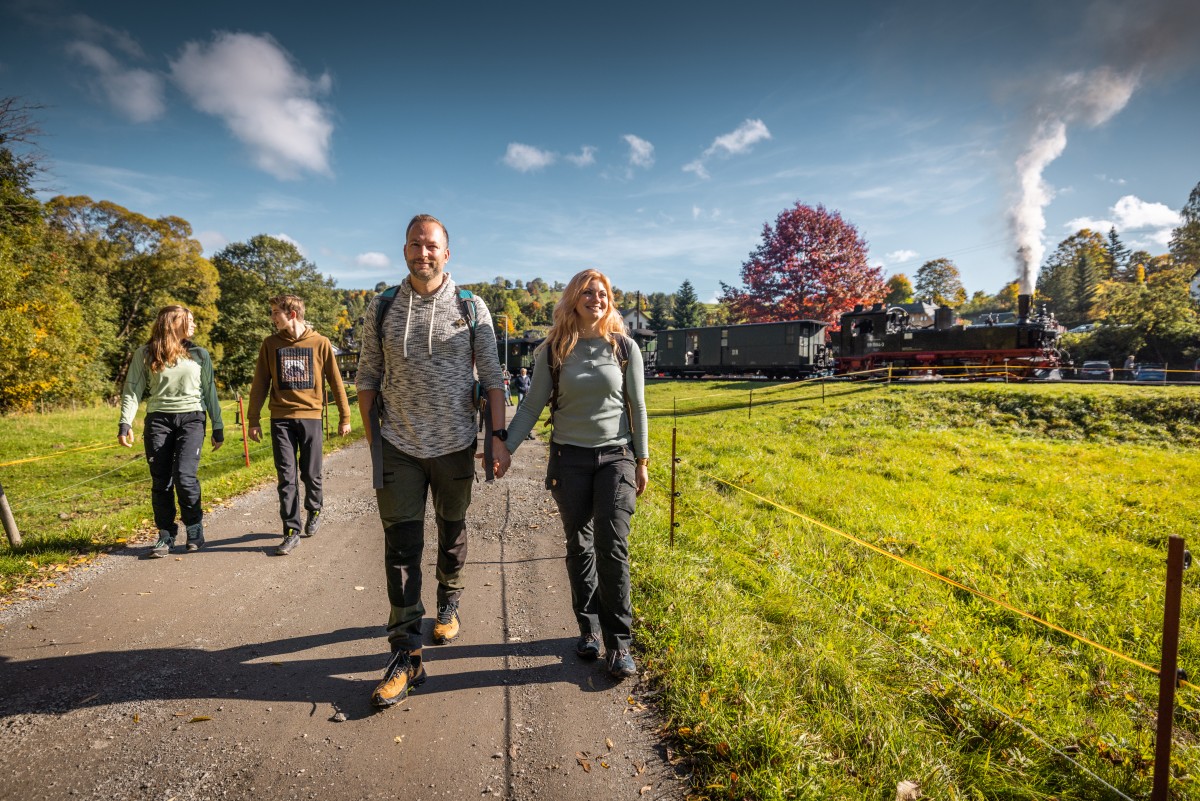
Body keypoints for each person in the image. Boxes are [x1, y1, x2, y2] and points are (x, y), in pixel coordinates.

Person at [357, 214, 509, 709]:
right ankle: (406, 653)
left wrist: (496, 439)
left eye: (432, 246)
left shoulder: (471, 307)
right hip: (399, 443)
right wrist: (372, 441)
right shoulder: (382, 307)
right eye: (415, 245)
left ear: (447, 253)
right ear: (404, 251)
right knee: (400, 547)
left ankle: (449, 599)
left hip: (455, 444)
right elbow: (367, 376)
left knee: (451, 529)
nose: (423, 253)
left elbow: (491, 376)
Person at [496, 268, 649, 680]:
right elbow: (530, 407)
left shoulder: (624, 347)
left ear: (609, 300)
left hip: (616, 457)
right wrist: (505, 449)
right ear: (574, 299)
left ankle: (619, 644)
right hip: (569, 459)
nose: (595, 299)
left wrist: (642, 459)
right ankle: (590, 629)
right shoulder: (556, 349)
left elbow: (637, 405)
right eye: (587, 293)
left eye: (602, 294)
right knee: (579, 544)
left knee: (612, 545)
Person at [246, 295, 352, 556]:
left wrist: (345, 417)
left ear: (291, 314)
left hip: (311, 416)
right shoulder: (270, 344)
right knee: (286, 476)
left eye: (275, 312)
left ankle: (314, 508)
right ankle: (291, 531)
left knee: (310, 473)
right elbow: (260, 383)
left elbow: (336, 383)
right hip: (280, 418)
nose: (272, 317)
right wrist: (253, 419)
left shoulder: (320, 343)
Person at [118, 306, 223, 557]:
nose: (194, 324)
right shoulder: (146, 353)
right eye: (189, 320)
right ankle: (166, 535)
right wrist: (125, 423)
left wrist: (217, 426)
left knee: (185, 477)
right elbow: (132, 390)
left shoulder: (199, 354)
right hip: (158, 421)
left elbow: (209, 391)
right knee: (161, 481)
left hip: (192, 418)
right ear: (171, 322)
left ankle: (195, 528)